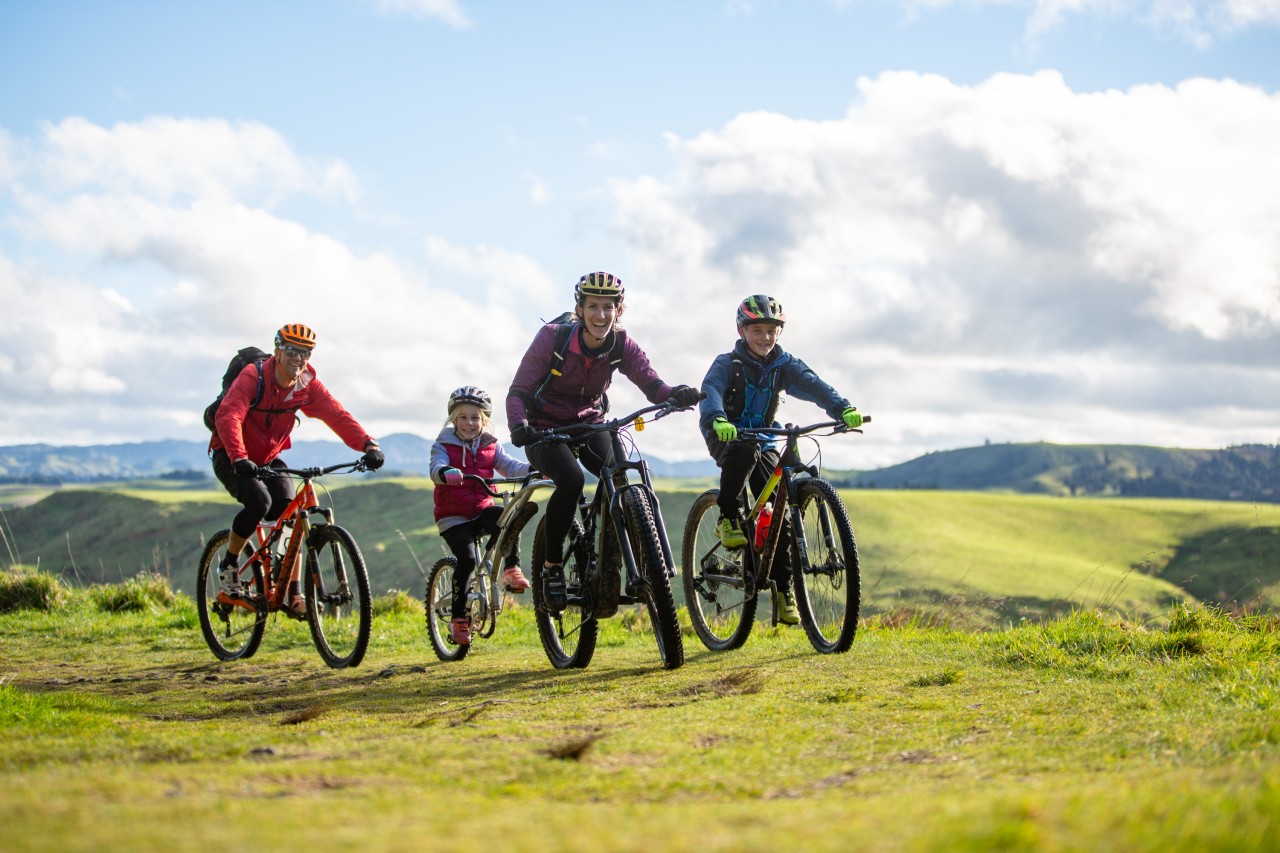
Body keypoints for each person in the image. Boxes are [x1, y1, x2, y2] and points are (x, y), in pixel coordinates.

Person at [506, 271, 702, 612]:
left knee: (621, 473)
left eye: (607, 308)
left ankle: (639, 564)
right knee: (571, 479)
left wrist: (676, 394)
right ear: (579, 309)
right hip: (543, 429)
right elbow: (519, 391)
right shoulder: (552, 338)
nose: (600, 315)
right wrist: (519, 424)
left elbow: (652, 384)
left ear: (619, 310)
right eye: (593, 307)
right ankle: (552, 568)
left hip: (589, 423)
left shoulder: (621, 344)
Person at [698, 295, 862, 625]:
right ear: (742, 331)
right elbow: (710, 390)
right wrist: (717, 418)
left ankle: (784, 591)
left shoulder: (783, 365)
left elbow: (814, 385)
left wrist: (842, 407)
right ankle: (728, 515)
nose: (765, 337)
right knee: (745, 452)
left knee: (779, 512)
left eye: (772, 330)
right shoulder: (727, 363)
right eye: (757, 329)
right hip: (727, 435)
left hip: (764, 437)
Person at [209, 323, 385, 618]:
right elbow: (230, 415)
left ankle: (293, 594)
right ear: (278, 351)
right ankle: (229, 565)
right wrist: (239, 457)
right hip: (231, 455)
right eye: (291, 350)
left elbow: (335, 413)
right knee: (259, 503)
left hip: (268, 458)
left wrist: (368, 444)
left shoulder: (306, 385)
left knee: (288, 511)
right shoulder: (254, 376)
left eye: (305, 352)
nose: (298, 358)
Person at [430, 386, 534, 645]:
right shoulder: (443, 444)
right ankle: (458, 619)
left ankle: (511, 568)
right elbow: (435, 467)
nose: (469, 423)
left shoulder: (490, 445)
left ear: (484, 420)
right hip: (453, 517)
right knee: (465, 561)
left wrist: (534, 469)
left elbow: (509, 466)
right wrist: (446, 472)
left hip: (482, 509)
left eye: (475, 417)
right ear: (453, 419)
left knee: (508, 516)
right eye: (463, 417)